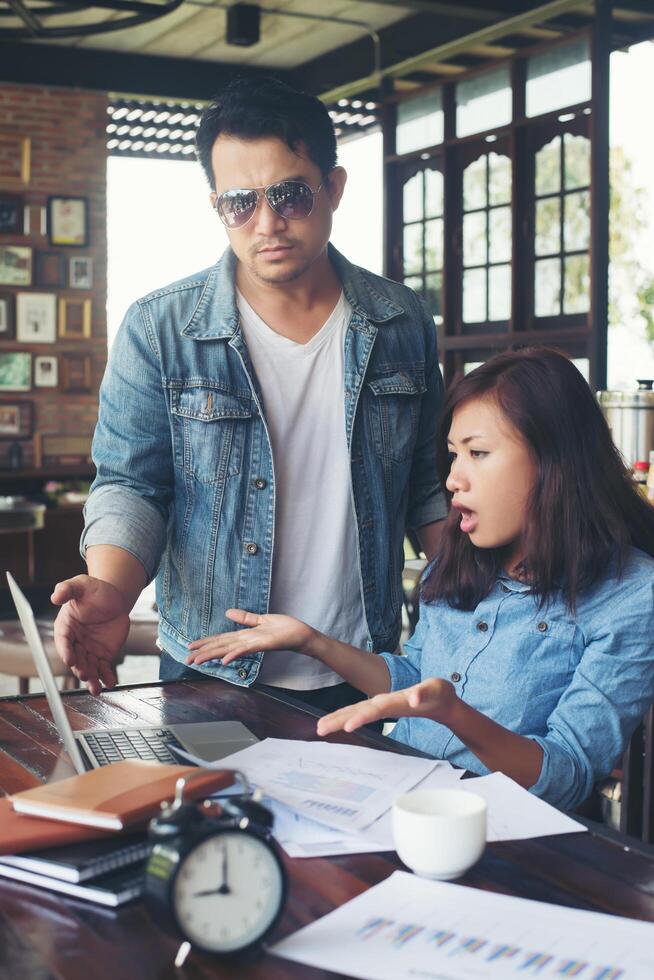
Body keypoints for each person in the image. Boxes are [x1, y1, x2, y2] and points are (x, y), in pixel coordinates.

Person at [51, 76, 447, 710]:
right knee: (205, 810)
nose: (267, 223)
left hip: (361, 663)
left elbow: (430, 486)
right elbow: (132, 483)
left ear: (334, 188)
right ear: (217, 206)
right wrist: (112, 590)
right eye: (240, 202)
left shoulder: (400, 322)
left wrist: (477, 613)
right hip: (210, 664)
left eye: (290, 194)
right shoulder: (160, 327)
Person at [185, 348, 654, 810]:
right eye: (453, 455)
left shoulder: (631, 594)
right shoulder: (460, 561)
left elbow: (566, 777)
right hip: (398, 800)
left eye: (478, 453)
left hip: (507, 838)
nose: (453, 479)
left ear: (556, 459)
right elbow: (416, 680)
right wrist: (312, 642)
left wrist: (453, 714)